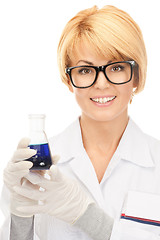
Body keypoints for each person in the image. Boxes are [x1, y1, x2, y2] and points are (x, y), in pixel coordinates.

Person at [1, 4, 160, 240]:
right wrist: (20, 217)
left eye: (116, 67)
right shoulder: (35, 166)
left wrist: (87, 216)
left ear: (136, 75)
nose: (102, 84)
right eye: (85, 70)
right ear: (69, 80)